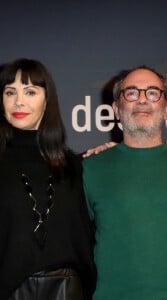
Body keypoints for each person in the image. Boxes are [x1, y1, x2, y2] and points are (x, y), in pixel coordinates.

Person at [83, 66, 167, 300]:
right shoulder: (90, 168)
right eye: (131, 93)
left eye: (153, 93)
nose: (142, 100)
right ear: (116, 108)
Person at [0, 58, 96, 300]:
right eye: (10, 92)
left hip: (67, 291)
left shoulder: (76, 166)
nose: (18, 101)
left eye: (30, 91)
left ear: (47, 100)